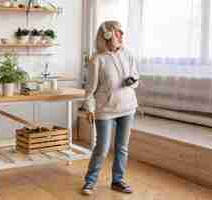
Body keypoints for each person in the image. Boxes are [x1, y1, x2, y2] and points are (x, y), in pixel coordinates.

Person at [81, 20, 139, 195]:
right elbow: (89, 90)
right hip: (105, 110)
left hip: (128, 107)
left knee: (122, 147)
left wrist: (133, 81)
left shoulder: (128, 54)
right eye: (118, 32)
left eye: (122, 32)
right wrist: (90, 109)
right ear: (107, 35)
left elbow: (136, 77)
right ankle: (90, 182)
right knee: (102, 148)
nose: (121, 35)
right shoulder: (96, 59)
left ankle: (118, 181)